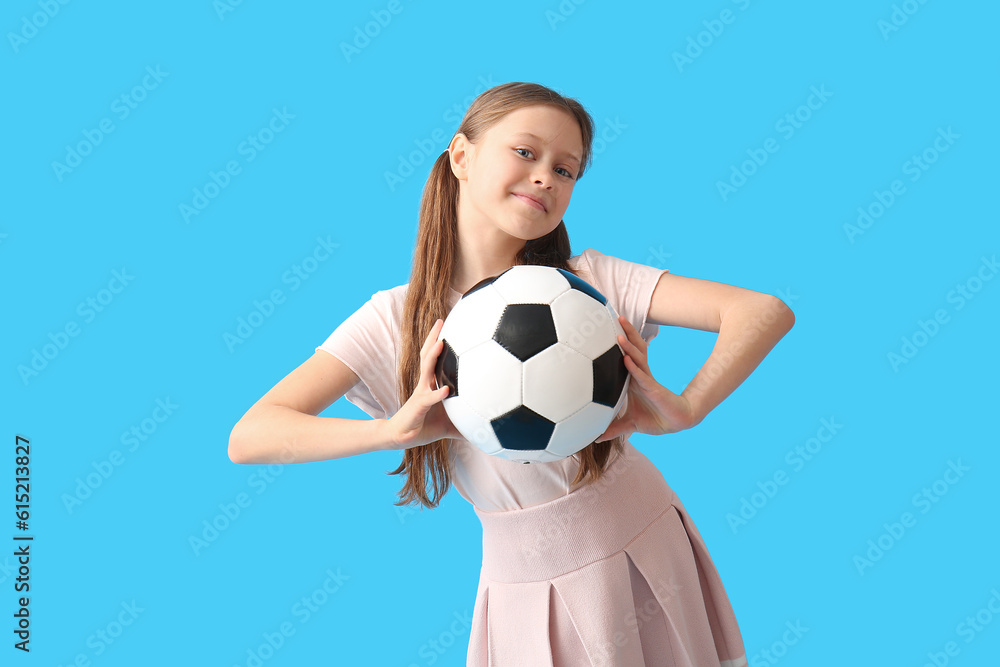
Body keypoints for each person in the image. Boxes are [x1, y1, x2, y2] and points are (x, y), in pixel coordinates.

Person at [229, 81, 794, 666]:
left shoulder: (590, 284)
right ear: (461, 155)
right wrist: (394, 431)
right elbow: (250, 437)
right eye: (525, 152)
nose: (547, 176)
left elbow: (762, 312)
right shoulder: (392, 319)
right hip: (522, 578)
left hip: (643, 543)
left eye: (566, 169)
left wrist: (686, 408)